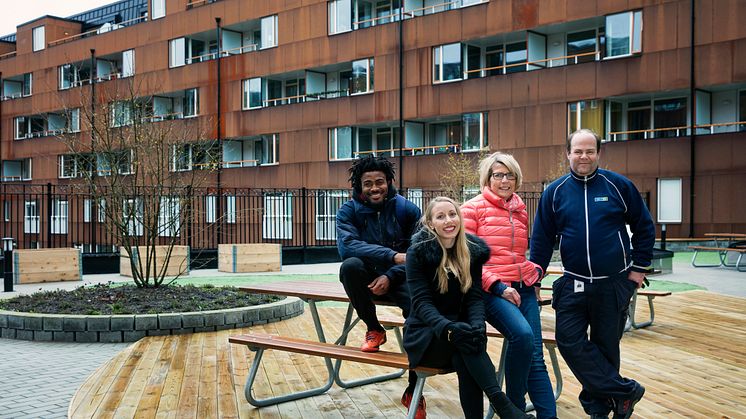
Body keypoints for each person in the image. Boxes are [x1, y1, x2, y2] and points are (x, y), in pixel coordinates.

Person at [530, 129, 655, 419]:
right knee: (569, 340)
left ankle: (600, 409)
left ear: (598, 153)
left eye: (589, 151)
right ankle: (625, 391)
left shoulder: (618, 186)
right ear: (568, 153)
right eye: (578, 151)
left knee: (606, 347)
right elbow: (542, 239)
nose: (583, 156)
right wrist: (535, 277)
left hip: (613, 284)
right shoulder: (555, 192)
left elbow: (644, 227)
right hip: (573, 282)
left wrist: (638, 269)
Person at [404, 196, 533, 419]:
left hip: (459, 332)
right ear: (430, 223)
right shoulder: (418, 253)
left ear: (460, 218)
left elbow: (474, 297)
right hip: (425, 333)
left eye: (452, 214)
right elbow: (421, 303)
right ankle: (502, 404)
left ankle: (501, 407)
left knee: (467, 346)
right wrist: (448, 328)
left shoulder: (471, 250)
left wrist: (477, 326)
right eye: (441, 216)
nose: (448, 221)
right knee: (465, 345)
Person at [461, 152, 557, 418]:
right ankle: (513, 407)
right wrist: (499, 287)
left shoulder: (519, 208)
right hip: (492, 291)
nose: (504, 180)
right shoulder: (471, 209)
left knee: (535, 357)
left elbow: (517, 254)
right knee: (522, 336)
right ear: (488, 178)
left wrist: (534, 272)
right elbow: (467, 261)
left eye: (510, 175)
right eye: (498, 175)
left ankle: (549, 416)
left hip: (522, 287)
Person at [335, 155, 425, 416]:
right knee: (349, 267)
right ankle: (374, 329)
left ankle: (414, 392)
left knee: (419, 311)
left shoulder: (407, 210)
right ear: (359, 186)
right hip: (367, 275)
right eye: (368, 184)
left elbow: (417, 253)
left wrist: (391, 274)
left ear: (389, 182)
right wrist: (391, 256)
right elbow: (347, 246)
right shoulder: (347, 211)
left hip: (401, 276)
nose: (375, 188)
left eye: (380, 182)